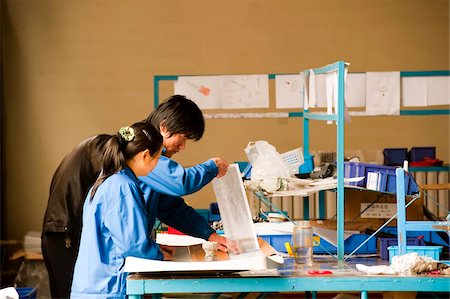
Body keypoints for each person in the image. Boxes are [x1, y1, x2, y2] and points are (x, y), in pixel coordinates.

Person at [41, 95, 229, 298]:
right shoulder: (123, 184)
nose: (182, 146)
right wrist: (212, 167)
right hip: (98, 274)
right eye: (183, 137)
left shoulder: (120, 177)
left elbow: (170, 208)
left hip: (99, 281)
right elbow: (133, 243)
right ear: (146, 155)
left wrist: (209, 234)